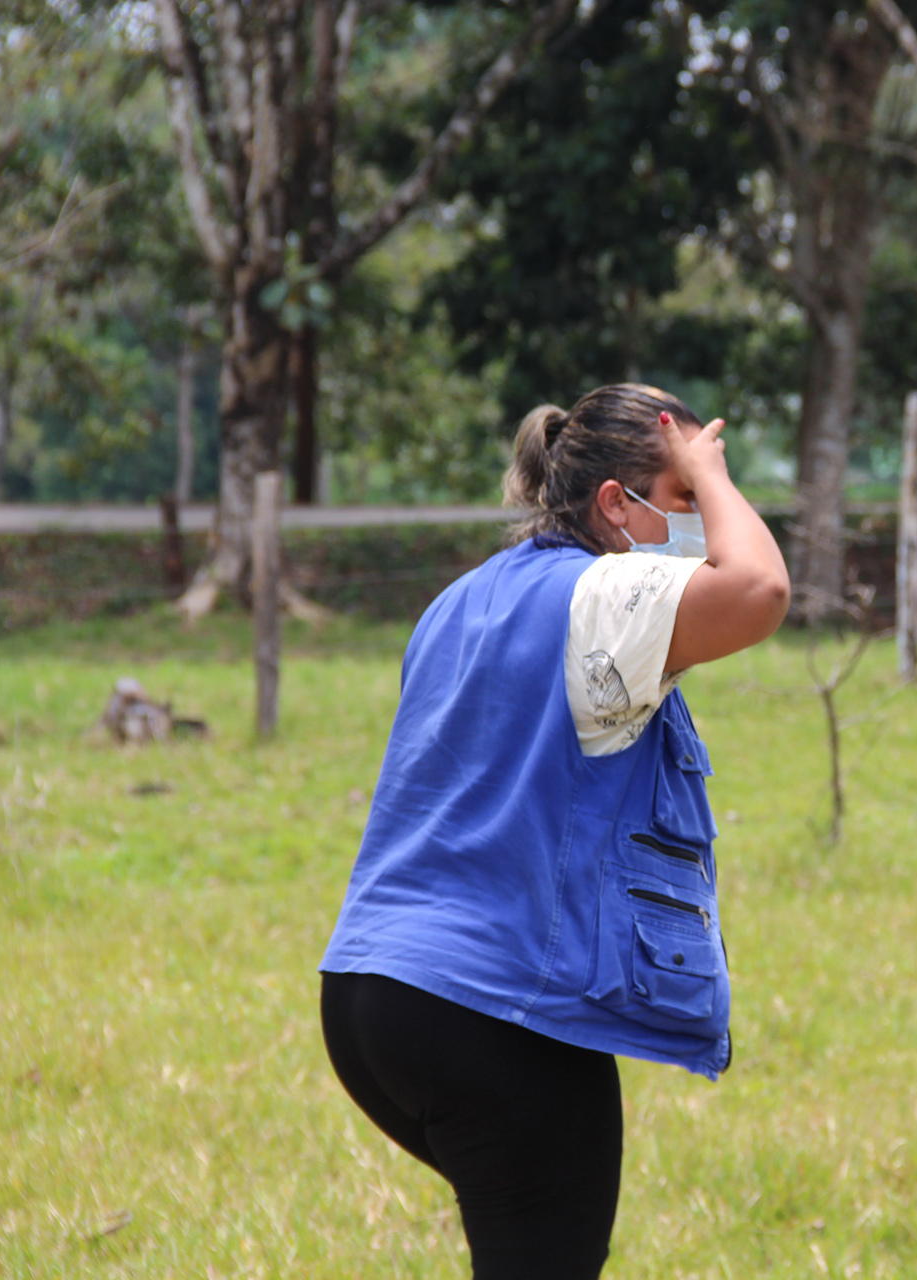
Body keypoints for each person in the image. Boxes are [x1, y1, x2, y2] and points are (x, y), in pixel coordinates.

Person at [318, 384, 789, 1280]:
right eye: (684, 494)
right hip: (489, 1011)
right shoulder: (606, 594)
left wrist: (689, 475)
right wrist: (715, 470)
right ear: (617, 504)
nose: (702, 512)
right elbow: (760, 588)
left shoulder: (463, 598)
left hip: (369, 996)